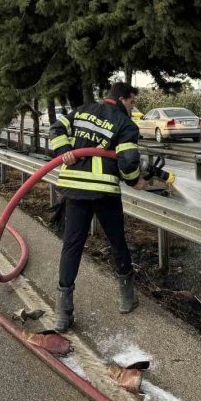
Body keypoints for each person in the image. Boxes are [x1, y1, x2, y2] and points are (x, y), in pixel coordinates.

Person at [48, 81, 147, 333]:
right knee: (117, 242)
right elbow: (128, 161)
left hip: (75, 189)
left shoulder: (83, 110)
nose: (132, 107)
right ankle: (126, 298)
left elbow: (57, 128)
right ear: (123, 99)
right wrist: (135, 181)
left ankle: (63, 312)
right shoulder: (125, 123)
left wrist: (65, 150)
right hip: (104, 191)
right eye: (132, 102)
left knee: (72, 246)